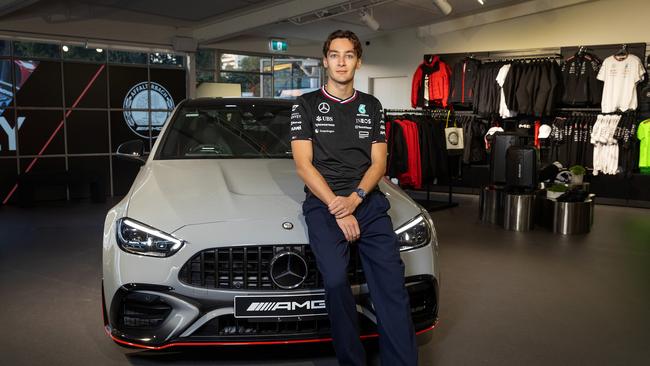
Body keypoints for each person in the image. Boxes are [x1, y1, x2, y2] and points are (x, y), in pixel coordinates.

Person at [290, 29, 418, 366]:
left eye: (348, 55)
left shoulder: (372, 106)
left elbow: (379, 163)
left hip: (368, 203)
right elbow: (304, 166)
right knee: (334, 281)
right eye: (334, 54)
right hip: (323, 202)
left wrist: (356, 198)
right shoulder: (305, 105)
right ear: (325, 60)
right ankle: (352, 361)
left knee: (391, 285)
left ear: (358, 61)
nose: (341, 61)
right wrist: (339, 206)